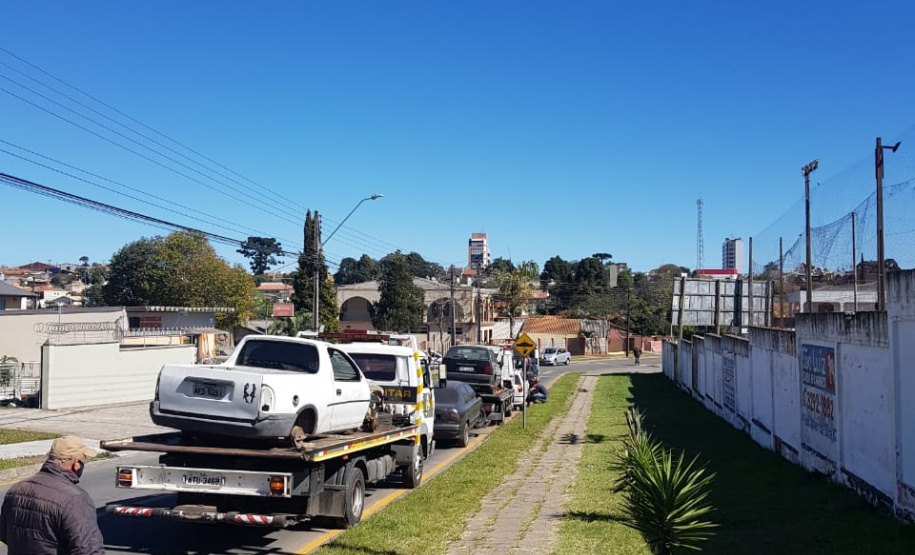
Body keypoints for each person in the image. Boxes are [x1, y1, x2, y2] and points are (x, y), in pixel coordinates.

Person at [0, 436, 105, 555]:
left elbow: (5, 536)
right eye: (84, 460)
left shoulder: (15, 490)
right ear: (76, 464)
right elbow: (88, 550)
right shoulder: (74, 499)